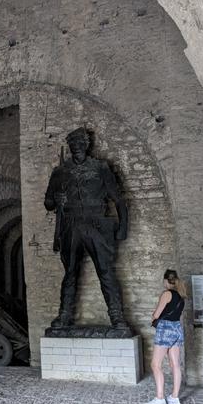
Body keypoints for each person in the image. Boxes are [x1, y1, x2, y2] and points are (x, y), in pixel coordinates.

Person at [44, 127, 129, 328]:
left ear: (87, 144)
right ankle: (64, 315)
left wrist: (123, 227)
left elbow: (118, 199)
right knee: (70, 272)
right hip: (71, 224)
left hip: (96, 222)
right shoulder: (60, 172)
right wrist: (55, 199)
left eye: (81, 142)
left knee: (105, 270)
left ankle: (117, 316)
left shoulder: (100, 168)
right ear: (70, 146)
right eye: (73, 143)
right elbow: (48, 203)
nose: (77, 146)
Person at [144, 269, 187, 404]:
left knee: (155, 364)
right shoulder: (181, 295)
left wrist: (153, 317)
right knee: (175, 365)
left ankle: (160, 398)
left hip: (165, 329)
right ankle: (174, 397)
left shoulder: (167, 294)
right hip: (177, 329)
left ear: (166, 280)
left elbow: (156, 314)